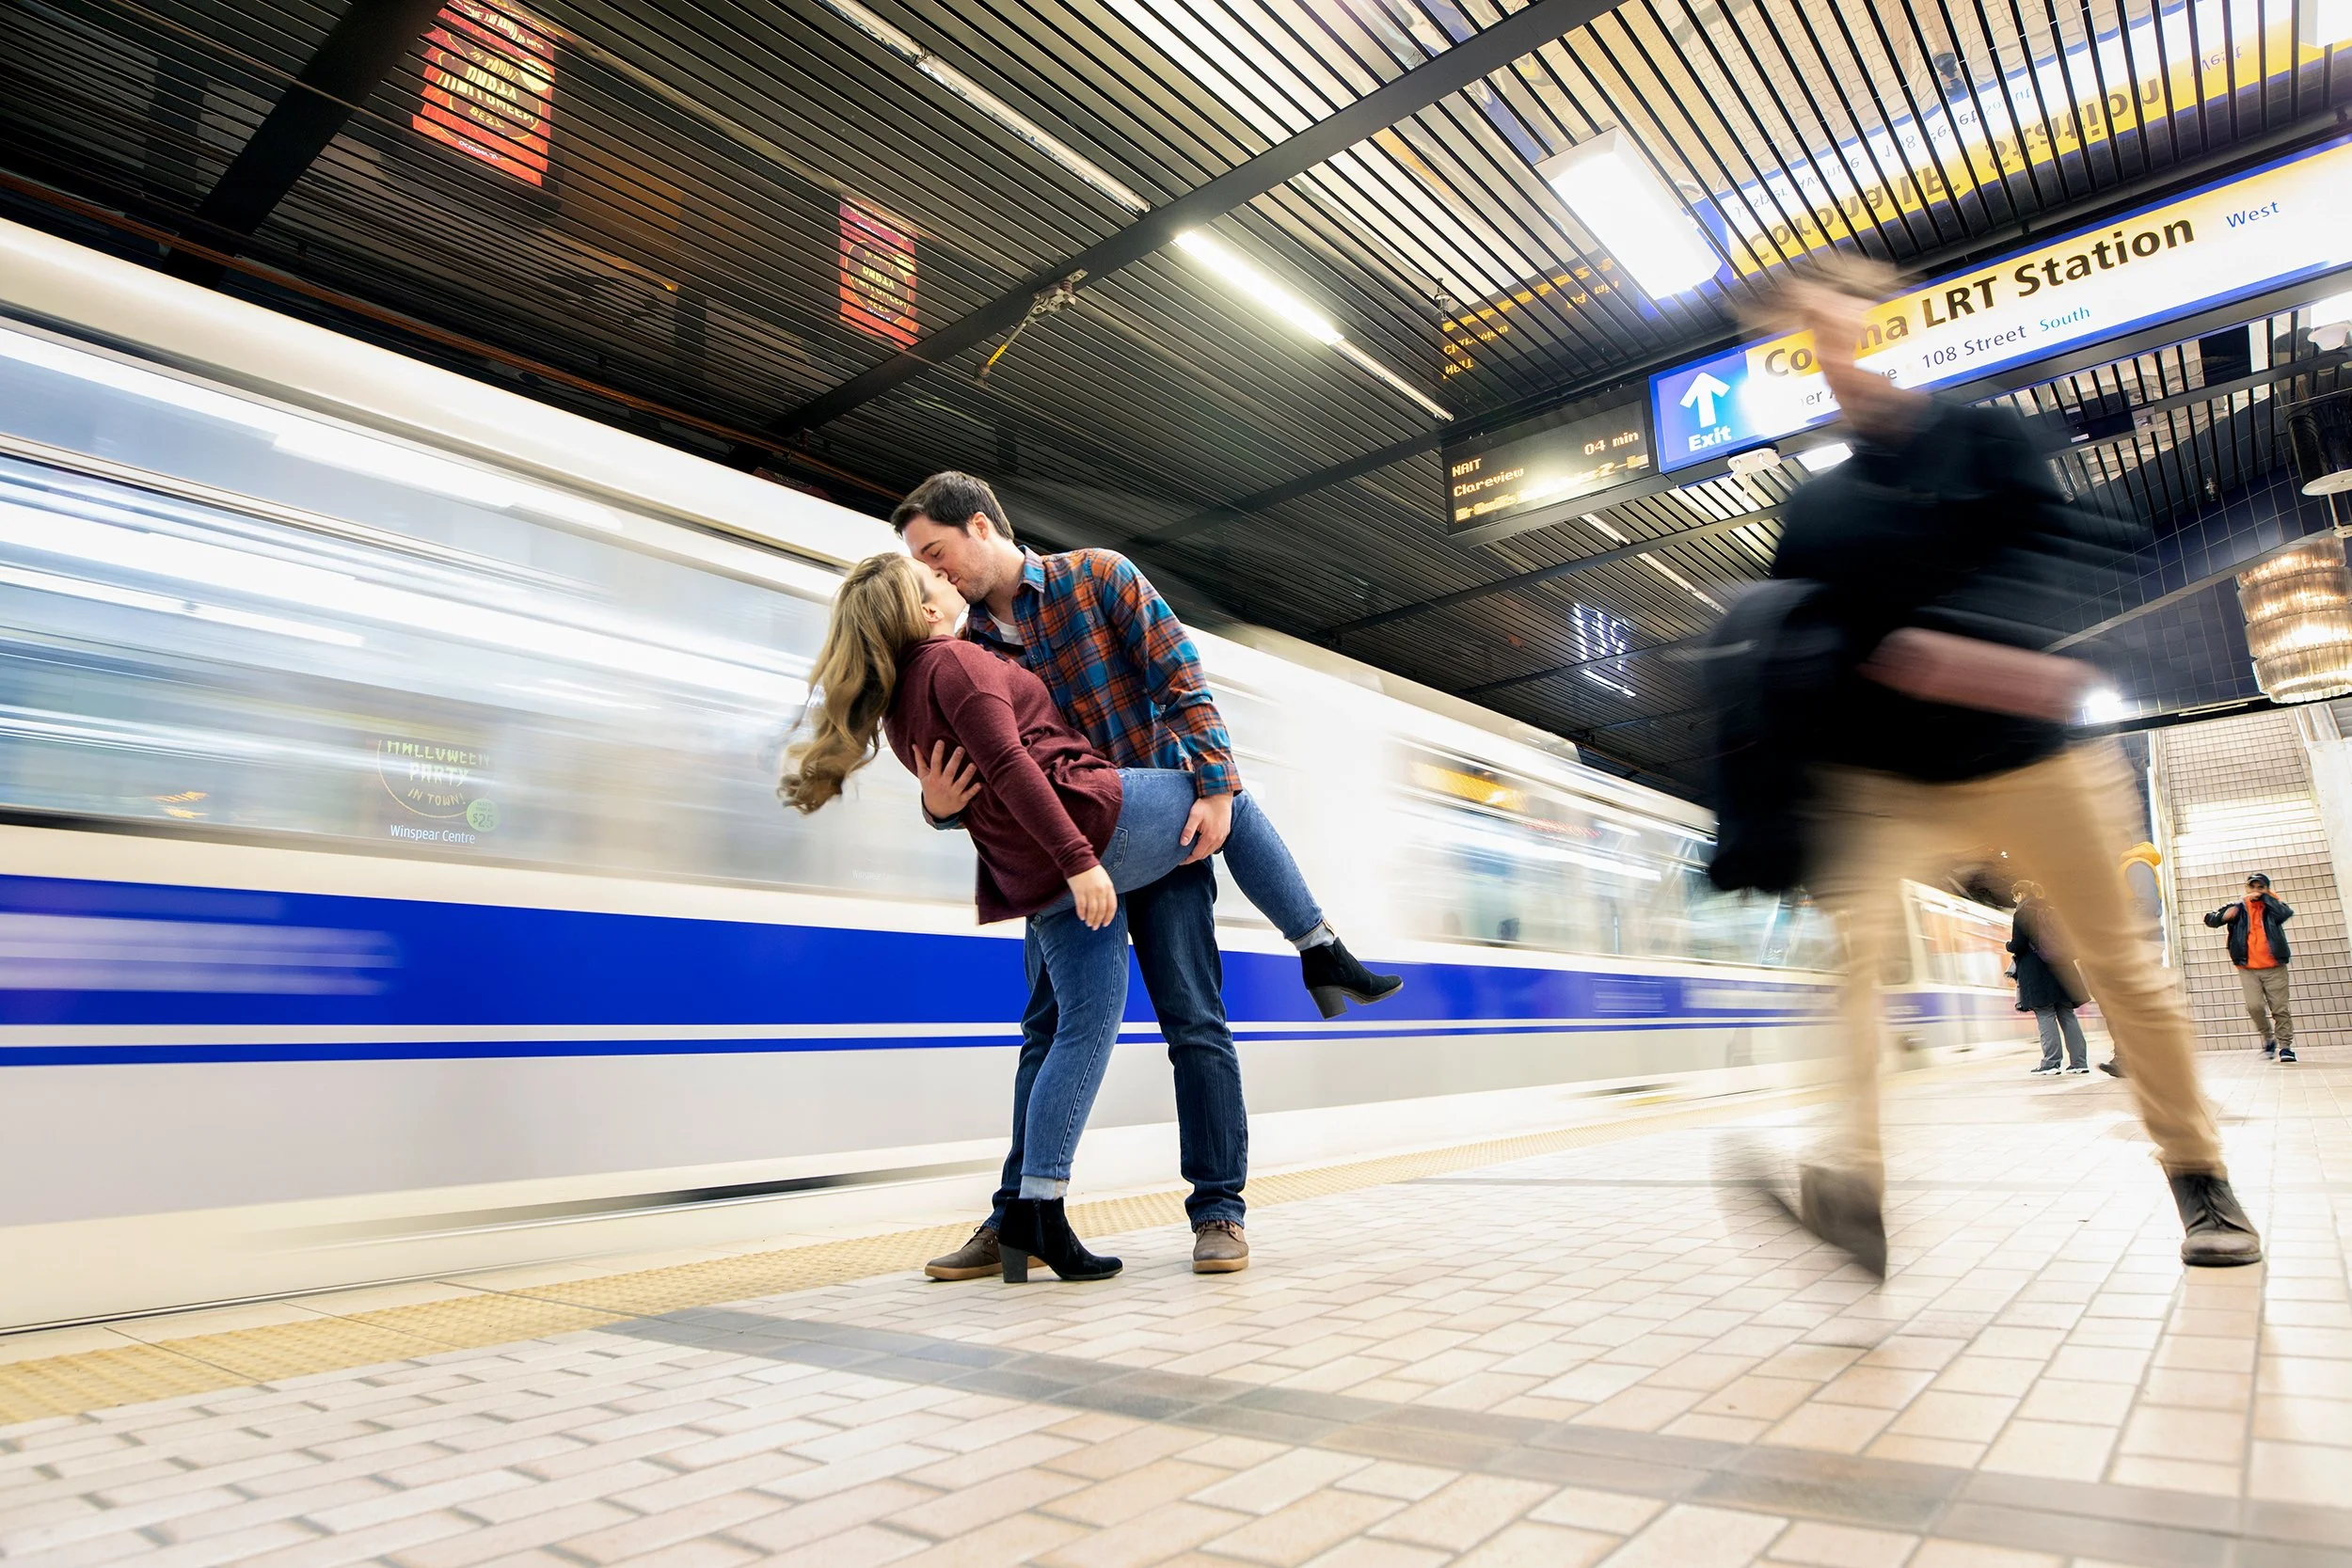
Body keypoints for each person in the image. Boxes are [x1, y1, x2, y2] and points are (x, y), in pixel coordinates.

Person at [1734, 254, 2261, 1275]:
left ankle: (2199, 1176)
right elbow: (1793, 652)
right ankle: (1849, 1187)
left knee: (2118, 967)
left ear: (1883, 329)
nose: (1829, 356)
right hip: (1885, 779)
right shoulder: (1817, 509)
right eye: (1804, 343)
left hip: (2029, 755)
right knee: (1848, 970)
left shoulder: (1987, 439)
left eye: (1838, 326)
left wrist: (1973, 649)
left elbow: (2077, 553)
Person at [779, 552, 1397, 1280]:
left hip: (1053, 852)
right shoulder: (960, 657)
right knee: (1228, 795)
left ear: (979, 527)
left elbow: (1171, 680)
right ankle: (1319, 946)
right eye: (929, 574)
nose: (941, 574)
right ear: (920, 610)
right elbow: (1006, 768)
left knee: (1110, 1024)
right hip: (1093, 826)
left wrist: (957, 810)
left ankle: (1070, 1210)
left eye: (939, 556)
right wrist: (1064, 853)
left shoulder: (1079, 590)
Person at [2205, 874, 2295, 1063]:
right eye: (2252, 886)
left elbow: (2285, 914)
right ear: (2246, 888)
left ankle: (2285, 1047)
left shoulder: (2273, 906)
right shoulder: (2238, 907)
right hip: (2248, 967)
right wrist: (2223, 916)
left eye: (2260, 886)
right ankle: (2268, 1038)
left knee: (2280, 1008)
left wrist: (2267, 897)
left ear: (2266, 888)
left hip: (2275, 966)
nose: (2255, 890)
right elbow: (2211, 919)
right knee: (2254, 1007)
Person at [2008, 881, 2089, 1075]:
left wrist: (2008, 945)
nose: (2015, 900)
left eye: (2015, 897)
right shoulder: (2053, 909)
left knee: (2045, 1014)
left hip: (2038, 973)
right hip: (2062, 969)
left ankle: (2051, 1063)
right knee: (2067, 1015)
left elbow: (2018, 945)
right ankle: (2079, 1062)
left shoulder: (2022, 913)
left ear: (2020, 894)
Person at [2103, 843, 2166, 1077]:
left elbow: (2148, 904)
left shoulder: (2135, 865)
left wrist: (2126, 935)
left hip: (2141, 943)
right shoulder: (2124, 868)